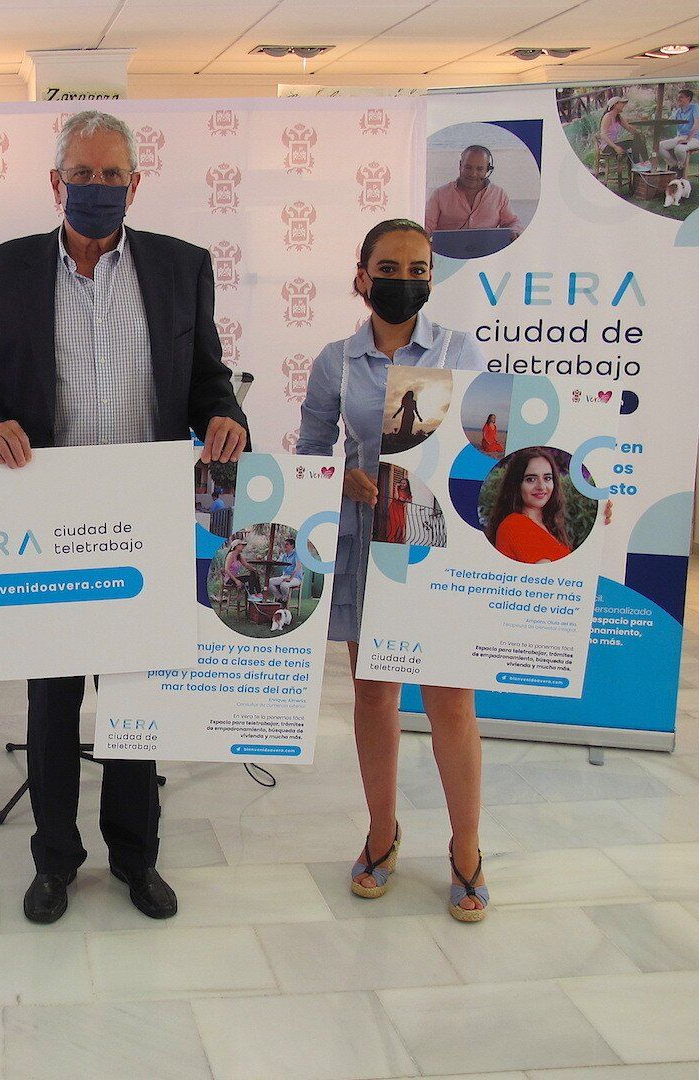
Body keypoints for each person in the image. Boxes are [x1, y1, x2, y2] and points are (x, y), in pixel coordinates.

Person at [0, 109, 248, 925]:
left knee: (135, 698)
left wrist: (226, 417)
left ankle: (136, 858)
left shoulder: (183, 267)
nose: (97, 188)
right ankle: (55, 860)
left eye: (113, 175)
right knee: (52, 703)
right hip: (48, 519)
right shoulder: (1, 271)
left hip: (145, 518)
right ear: (56, 183)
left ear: (135, 185)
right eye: (82, 175)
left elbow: (207, 378)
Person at [296, 218, 492, 922]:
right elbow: (310, 456)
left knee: (451, 702)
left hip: (439, 548)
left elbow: (487, 453)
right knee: (375, 696)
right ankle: (382, 834)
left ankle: (466, 848)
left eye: (417, 269)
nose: (403, 280)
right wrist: (341, 477)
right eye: (389, 267)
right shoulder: (335, 362)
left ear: (431, 278)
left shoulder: (461, 352)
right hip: (367, 547)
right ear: (362, 275)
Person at [485, 447, 573, 564]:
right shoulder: (514, 525)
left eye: (547, 478)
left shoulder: (550, 524)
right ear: (517, 484)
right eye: (531, 479)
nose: (541, 486)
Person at [424, 146, 522, 238]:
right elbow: (427, 225)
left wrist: (514, 231)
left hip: (488, 249)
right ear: (460, 166)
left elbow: (511, 222)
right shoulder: (439, 194)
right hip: (447, 250)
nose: (473, 174)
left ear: (487, 170)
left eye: (479, 169)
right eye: (468, 167)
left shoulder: (499, 194)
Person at [597, 97, 649, 167]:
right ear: (615, 105)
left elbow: (628, 127)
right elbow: (603, 135)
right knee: (633, 142)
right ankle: (637, 163)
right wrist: (615, 147)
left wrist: (639, 133)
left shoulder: (618, 117)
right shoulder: (607, 117)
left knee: (638, 137)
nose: (623, 105)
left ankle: (646, 162)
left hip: (614, 144)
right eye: (622, 103)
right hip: (608, 147)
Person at [658, 88, 698, 171]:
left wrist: (688, 139)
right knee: (659, 146)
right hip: (680, 137)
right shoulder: (677, 111)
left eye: (681, 97)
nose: (678, 99)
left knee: (679, 149)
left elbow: (696, 124)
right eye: (678, 97)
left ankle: (680, 167)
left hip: (695, 138)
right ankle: (675, 165)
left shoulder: (695, 108)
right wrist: (660, 120)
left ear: (688, 98)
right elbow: (668, 123)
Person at [268, 538, 303, 604]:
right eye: (284, 544)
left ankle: (284, 600)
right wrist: (270, 561)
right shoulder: (284, 555)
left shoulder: (296, 554)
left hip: (295, 578)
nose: (285, 545)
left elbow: (298, 566)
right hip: (284, 576)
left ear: (292, 546)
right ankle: (280, 598)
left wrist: (290, 578)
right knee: (269, 581)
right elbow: (276, 564)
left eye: (287, 544)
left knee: (283, 585)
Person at [386, 475, 414, 543]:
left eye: (404, 483)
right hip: (394, 508)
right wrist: (396, 487)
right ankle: (390, 540)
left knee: (401, 524)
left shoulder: (407, 492)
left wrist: (405, 500)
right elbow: (396, 497)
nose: (402, 484)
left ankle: (397, 540)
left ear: (407, 485)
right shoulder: (398, 489)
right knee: (394, 524)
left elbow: (410, 500)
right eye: (401, 483)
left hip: (401, 509)